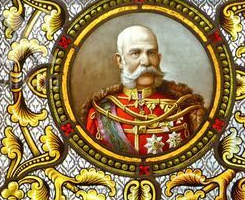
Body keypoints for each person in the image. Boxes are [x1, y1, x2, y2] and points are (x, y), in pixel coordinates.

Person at [80, 24, 206, 156]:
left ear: (159, 59)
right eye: (136, 53)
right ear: (120, 61)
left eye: (151, 53)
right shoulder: (99, 113)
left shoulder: (184, 109)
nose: (146, 61)